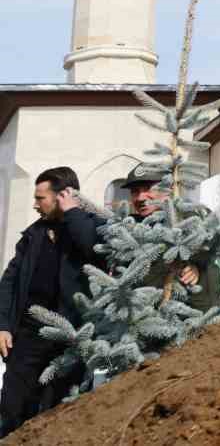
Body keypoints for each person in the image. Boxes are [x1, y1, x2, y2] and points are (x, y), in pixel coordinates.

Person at [0, 168, 106, 434]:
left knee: (55, 412)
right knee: (12, 406)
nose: (35, 204)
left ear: (63, 196)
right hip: (27, 334)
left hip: (69, 338)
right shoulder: (33, 234)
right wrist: (2, 324)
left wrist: (72, 213)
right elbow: (9, 281)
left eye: (41, 198)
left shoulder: (90, 224)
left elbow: (93, 249)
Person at [120, 169, 220, 312]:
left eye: (148, 189)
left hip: (197, 312)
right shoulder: (132, 228)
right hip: (153, 316)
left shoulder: (188, 213)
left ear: (167, 188)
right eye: (135, 191)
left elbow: (212, 235)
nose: (140, 197)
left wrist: (195, 262)